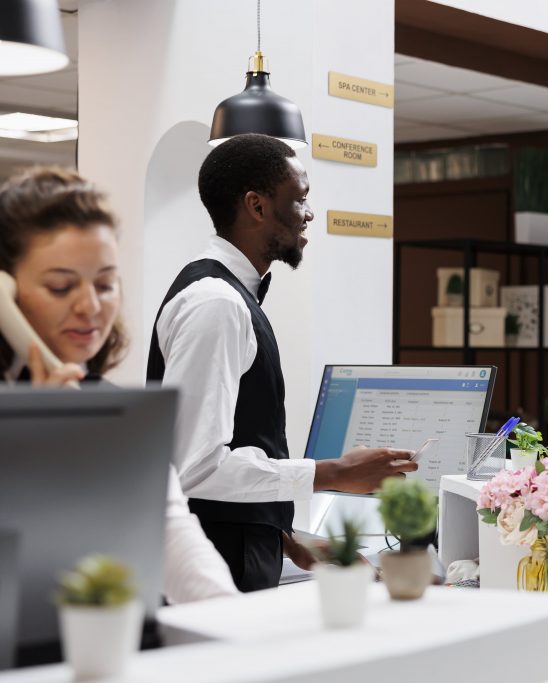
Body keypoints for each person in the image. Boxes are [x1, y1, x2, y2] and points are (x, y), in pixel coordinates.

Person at [147, 133, 416, 592]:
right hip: (217, 567)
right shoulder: (217, 303)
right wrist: (336, 473)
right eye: (301, 199)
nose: (309, 214)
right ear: (256, 206)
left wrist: (289, 541)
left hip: (244, 547)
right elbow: (196, 468)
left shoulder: (228, 295)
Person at [0, 166, 238, 604]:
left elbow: (175, 543)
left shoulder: (112, 412)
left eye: (105, 284)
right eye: (60, 286)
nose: (90, 306)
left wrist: (235, 630)